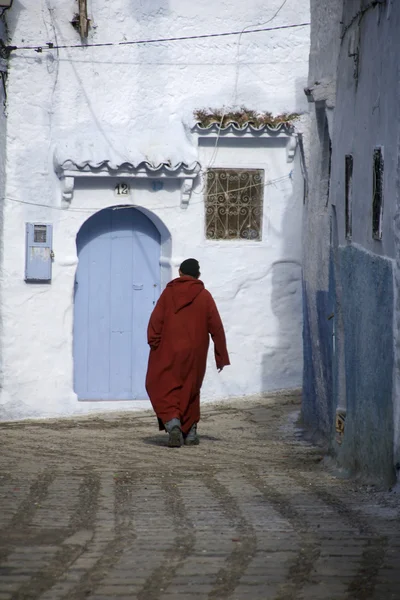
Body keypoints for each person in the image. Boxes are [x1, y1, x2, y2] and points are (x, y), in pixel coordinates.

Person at [145, 258, 230, 447]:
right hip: (195, 353)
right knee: (190, 389)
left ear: (180, 273)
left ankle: (173, 422)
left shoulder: (168, 293)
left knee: (161, 385)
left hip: (169, 349)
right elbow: (216, 327)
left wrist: (154, 342)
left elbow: (155, 321)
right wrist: (221, 355)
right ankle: (190, 432)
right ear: (198, 276)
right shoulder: (205, 296)